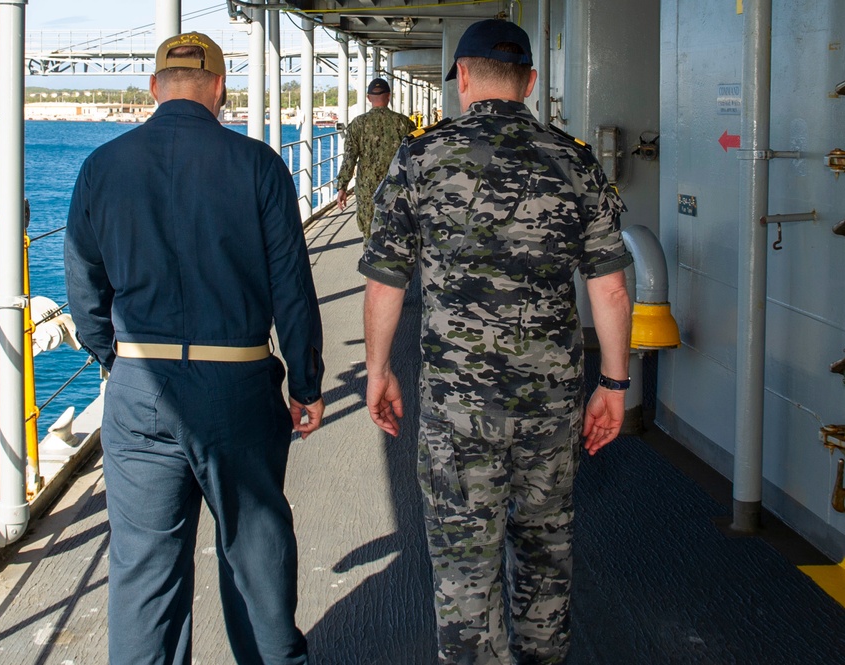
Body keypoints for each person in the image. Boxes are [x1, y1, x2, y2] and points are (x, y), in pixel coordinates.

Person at [358, 19, 633, 665]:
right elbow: (611, 290)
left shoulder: (419, 155)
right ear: (530, 82)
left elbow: (384, 283)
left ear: (460, 79)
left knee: (462, 563)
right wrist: (614, 385)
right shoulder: (573, 157)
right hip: (549, 401)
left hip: (458, 407)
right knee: (545, 552)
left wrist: (377, 370)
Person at [65, 32, 325, 665]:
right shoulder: (258, 164)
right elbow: (291, 286)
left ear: (155, 88)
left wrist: (114, 360)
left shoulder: (102, 166)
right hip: (235, 386)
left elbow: (83, 283)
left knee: (144, 573)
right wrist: (306, 384)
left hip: (139, 387)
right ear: (220, 90)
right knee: (255, 558)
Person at [335, 78, 416, 242]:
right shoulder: (404, 123)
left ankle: (370, 263)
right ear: (389, 96)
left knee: (369, 233)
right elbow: (415, 156)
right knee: (397, 232)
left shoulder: (358, 124)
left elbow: (349, 157)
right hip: (396, 188)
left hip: (367, 191)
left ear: (368, 97)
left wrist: (342, 187)